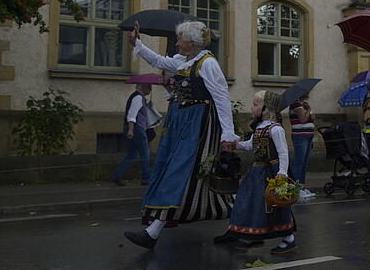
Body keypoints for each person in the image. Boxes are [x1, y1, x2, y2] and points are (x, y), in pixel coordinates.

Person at [123, 20, 239, 250]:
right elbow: (158, 60)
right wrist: (137, 43)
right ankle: (239, 224)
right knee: (192, 178)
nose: (176, 43)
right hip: (181, 124)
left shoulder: (208, 64)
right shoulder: (183, 61)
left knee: (181, 174)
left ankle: (153, 232)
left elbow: (222, 99)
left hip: (199, 124)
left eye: (179, 39)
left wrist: (228, 134)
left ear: (192, 42)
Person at [215, 91, 297, 254]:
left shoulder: (275, 129)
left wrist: (282, 172)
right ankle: (255, 235)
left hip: (272, 172)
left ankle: (289, 238)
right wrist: (235, 144)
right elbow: (250, 146)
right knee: (253, 203)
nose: (252, 108)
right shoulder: (259, 128)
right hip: (257, 171)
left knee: (276, 204)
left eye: (255, 105)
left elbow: (283, 152)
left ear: (265, 108)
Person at [112, 82, 155, 186]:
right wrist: (131, 130)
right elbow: (132, 114)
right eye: (149, 86)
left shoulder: (139, 98)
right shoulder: (138, 98)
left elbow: (139, 112)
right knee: (145, 153)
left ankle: (117, 175)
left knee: (132, 154)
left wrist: (148, 106)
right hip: (137, 129)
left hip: (134, 128)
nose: (150, 89)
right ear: (143, 86)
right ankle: (145, 178)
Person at [289, 93, 316, 198]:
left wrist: (308, 111)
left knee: (304, 163)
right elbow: (303, 119)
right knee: (299, 162)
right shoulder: (295, 104)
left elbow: (313, 117)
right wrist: (309, 111)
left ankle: (301, 187)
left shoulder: (304, 105)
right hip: (300, 136)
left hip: (308, 135)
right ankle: (295, 188)